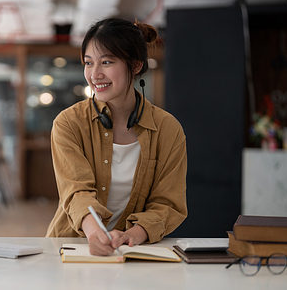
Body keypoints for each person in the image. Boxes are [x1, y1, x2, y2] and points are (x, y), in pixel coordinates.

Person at [45, 17, 187, 256]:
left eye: (107, 62)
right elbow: (76, 192)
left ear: (135, 66)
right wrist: (95, 234)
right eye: (89, 63)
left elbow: (167, 204)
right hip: (72, 247)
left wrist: (132, 235)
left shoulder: (168, 130)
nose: (95, 74)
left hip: (135, 252)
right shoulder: (68, 123)